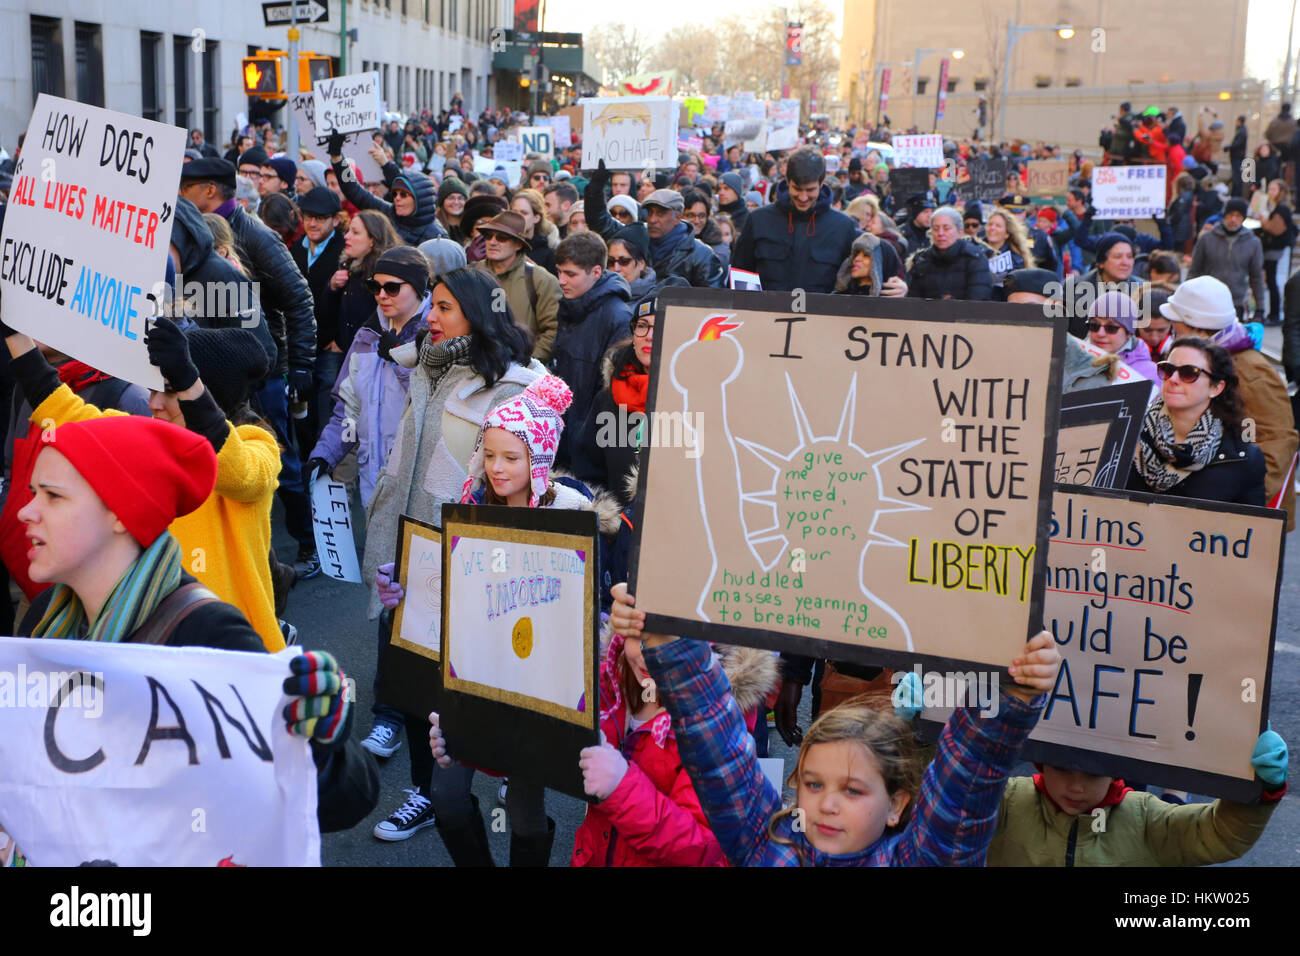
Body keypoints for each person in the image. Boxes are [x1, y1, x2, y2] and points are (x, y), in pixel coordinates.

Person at [10, 411, 378, 836]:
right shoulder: (42, 623)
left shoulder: (205, 633)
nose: (26, 511)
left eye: (53, 496)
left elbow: (342, 802)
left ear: (120, 513)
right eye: (33, 491)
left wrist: (322, 741)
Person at [606, 583, 1061, 866]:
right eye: (813, 784)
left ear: (897, 805)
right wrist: (663, 637)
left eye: (853, 790)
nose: (827, 805)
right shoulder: (765, 842)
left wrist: (1014, 695)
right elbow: (715, 740)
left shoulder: (919, 860)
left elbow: (969, 776)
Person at [360, 268, 545, 824]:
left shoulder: (513, 384)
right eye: (432, 307)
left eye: (443, 308)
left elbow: (520, 481)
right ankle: (427, 789)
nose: (431, 318)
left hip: (471, 557)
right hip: (408, 548)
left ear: (475, 312)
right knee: (413, 674)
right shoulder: (424, 365)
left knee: (481, 674)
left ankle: (515, 774)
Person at [417, 375, 617, 866]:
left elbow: (590, 613)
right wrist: (408, 584)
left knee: (525, 806)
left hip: (537, 685)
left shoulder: (572, 520)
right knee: (445, 794)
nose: (497, 469)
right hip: (472, 675)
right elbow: (442, 589)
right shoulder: (470, 509)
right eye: (489, 455)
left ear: (541, 459)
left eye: (512, 457)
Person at [4, 313, 286, 651]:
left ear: (210, 394)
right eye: (152, 390)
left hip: (228, 654)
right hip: (152, 639)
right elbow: (67, 414)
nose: (153, 403)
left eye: (169, 392)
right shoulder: (150, 442)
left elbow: (235, 471)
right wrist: (16, 334)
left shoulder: (259, 445)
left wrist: (190, 385)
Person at [179, 158, 320, 579]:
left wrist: (301, 369)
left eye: (186, 188)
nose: (179, 197)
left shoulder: (257, 235)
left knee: (280, 460)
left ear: (208, 192)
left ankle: (308, 545)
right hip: (214, 374)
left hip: (266, 372)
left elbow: (298, 300)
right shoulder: (189, 239)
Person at [988, 729, 1288, 866]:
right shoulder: (1009, 803)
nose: (1076, 787)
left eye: (1093, 774)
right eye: (1061, 770)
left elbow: (1217, 835)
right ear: (1040, 762)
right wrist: (940, 729)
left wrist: (1258, 793)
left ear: (1116, 771)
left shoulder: (1143, 818)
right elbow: (946, 791)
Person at [1158, 276, 1297, 524]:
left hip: (1236, 521)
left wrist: (1240, 504)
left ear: (1196, 328)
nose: (1172, 334)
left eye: (1176, 327)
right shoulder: (1200, 361)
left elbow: (1274, 441)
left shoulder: (1250, 373)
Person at [307, 247, 432, 512]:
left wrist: (400, 359)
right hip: (372, 485)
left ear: (419, 288)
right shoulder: (366, 337)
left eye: (392, 288)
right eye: (374, 286)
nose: (382, 295)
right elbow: (347, 413)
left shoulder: (439, 333)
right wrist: (325, 455)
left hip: (419, 490)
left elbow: (433, 404)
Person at [1127, 335, 1266, 507]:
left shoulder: (1242, 457)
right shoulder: (1127, 434)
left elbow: (1255, 529)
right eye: (1168, 369)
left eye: (1188, 373)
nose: (1173, 379)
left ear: (1216, 388)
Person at [551, 232, 633, 468]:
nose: (561, 280)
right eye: (559, 272)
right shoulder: (571, 304)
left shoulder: (618, 317)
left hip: (590, 452)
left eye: (570, 274)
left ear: (596, 272)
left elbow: (612, 394)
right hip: (563, 439)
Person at [732, 147, 859, 293]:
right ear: (787, 180)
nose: (803, 197)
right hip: (767, 313)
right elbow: (741, 276)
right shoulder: (758, 220)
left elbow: (854, 283)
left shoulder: (842, 227)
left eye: (810, 190)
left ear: (822, 182)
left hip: (821, 314)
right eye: (797, 189)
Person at [290, 186, 348, 445]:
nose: (312, 223)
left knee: (327, 410)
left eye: (320, 218)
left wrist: (340, 339)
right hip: (300, 344)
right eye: (308, 216)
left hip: (329, 346)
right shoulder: (295, 250)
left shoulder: (344, 250)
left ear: (336, 220)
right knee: (300, 410)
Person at [327, 131, 447, 246]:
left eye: (403, 195)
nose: (397, 199)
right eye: (394, 194)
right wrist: (337, 158)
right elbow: (354, 191)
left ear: (419, 199)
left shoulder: (437, 236)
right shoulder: (390, 213)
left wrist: (386, 164)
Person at [472, 211, 561, 363]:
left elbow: (554, 330)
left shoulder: (540, 279)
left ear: (518, 244)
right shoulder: (472, 274)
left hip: (522, 371)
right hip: (477, 365)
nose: (492, 242)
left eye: (501, 237)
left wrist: (528, 363)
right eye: (488, 236)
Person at [1189, 198, 1266, 321]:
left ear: (1243, 218)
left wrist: (1260, 309)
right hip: (1208, 300)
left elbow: (1256, 277)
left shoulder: (1253, 243)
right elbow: (1194, 270)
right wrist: (1189, 297)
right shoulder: (1207, 239)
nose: (1233, 219)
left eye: (1238, 216)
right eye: (1230, 215)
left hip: (1236, 302)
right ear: (1224, 216)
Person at [906, 206, 993, 301]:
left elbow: (978, 299)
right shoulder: (922, 260)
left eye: (946, 228)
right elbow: (914, 301)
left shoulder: (975, 259)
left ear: (960, 232)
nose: (940, 233)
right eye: (936, 229)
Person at [1084, 291, 1160, 382]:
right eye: (1094, 325)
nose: (1100, 333)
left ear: (1129, 333)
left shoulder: (1151, 374)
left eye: (1111, 328)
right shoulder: (1071, 361)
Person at [1253, 180, 1297, 323]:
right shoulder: (1273, 206)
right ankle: (1273, 313)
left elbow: (1276, 229)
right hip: (1271, 249)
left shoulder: (1282, 209)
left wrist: (1263, 221)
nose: (1270, 192)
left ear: (1281, 192)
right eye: (1270, 189)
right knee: (1270, 281)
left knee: (1274, 281)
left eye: (1274, 189)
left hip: (1277, 250)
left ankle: (1275, 314)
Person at [982, 207, 1036, 300]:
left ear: (1007, 234)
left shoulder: (1016, 259)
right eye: (990, 224)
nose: (992, 228)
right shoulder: (976, 252)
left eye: (998, 226)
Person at [833, 233, 908, 296]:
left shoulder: (895, 298)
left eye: (866, 255)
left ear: (881, 263)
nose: (856, 259)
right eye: (856, 255)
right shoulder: (838, 296)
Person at [681, 188, 731, 271]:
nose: (697, 221)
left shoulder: (716, 241)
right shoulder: (670, 237)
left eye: (702, 216)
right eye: (690, 215)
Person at [511, 187, 558, 273]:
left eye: (524, 213)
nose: (518, 217)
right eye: (514, 212)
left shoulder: (549, 254)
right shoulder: (500, 245)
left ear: (536, 218)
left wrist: (538, 273)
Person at [435, 177, 469, 244]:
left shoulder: (471, 226)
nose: (456, 202)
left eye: (460, 198)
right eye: (451, 198)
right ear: (442, 201)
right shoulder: (435, 226)